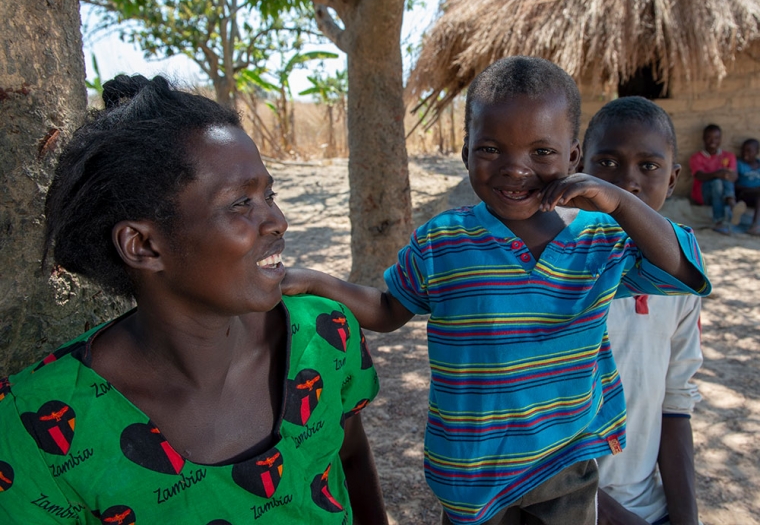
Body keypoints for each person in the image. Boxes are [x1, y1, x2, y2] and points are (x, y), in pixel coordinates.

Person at [284, 57, 710, 525]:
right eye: (491, 149)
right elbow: (387, 310)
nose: (515, 168)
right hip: (471, 475)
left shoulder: (600, 242)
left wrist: (619, 202)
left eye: (541, 152)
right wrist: (319, 282)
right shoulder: (441, 242)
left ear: (573, 158)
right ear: (466, 153)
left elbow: (684, 271)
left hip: (565, 464)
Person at [0, 75, 387, 524]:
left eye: (269, 195)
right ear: (143, 245)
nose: (277, 220)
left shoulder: (325, 336)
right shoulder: (33, 428)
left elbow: (350, 456)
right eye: (241, 203)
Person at [582, 97, 702, 525]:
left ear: (672, 180)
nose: (625, 184)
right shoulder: (554, 271)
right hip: (560, 505)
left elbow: (674, 404)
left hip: (645, 503)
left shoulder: (682, 280)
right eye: (608, 163)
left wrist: (686, 518)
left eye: (648, 167)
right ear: (578, 166)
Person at [688, 124, 745, 233]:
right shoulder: (696, 157)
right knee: (717, 182)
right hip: (704, 195)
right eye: (709, 137)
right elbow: (699, 175)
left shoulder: (728, 156)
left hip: (722, 193)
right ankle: (725, 214)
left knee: (724, 178)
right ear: (703, 138)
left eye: (716, 137)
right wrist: (717, 174)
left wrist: (723, 174)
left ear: (720, 139)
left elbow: (733, 177)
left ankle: (730, 203)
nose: (712, 141)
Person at [736, 138, 760, 236]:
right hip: (743, 193)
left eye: (749, 151)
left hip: (756, 195)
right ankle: (755, 226)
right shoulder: (739, 164)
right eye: (743, 150)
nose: (745, 153)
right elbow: (733, 184)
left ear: (757, 152)